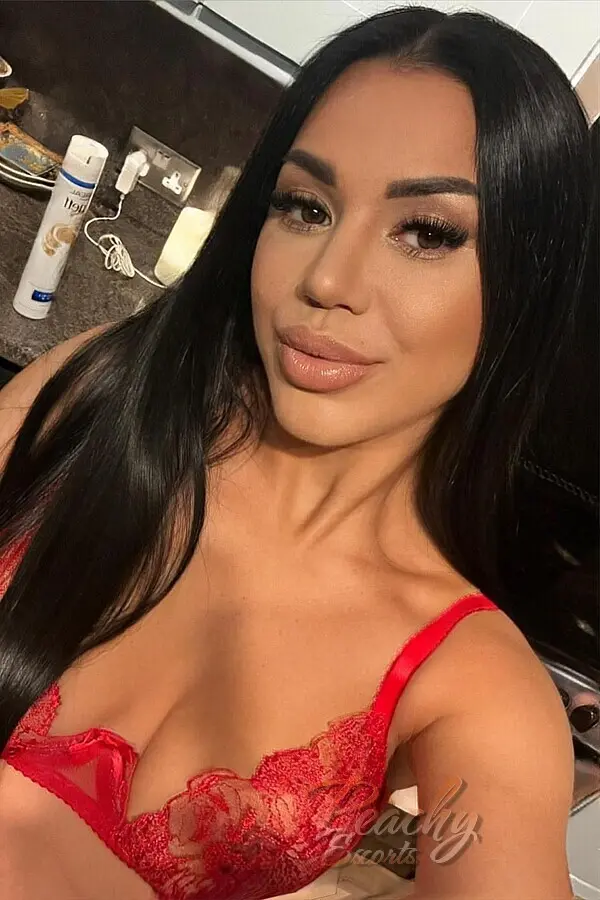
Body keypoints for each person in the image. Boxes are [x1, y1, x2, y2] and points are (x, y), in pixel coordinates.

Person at [0, 6, 595, 899]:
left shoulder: (472, 686)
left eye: (427, 233)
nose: (327, 280)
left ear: (529, 283)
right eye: (306, 207)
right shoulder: (107, 396)